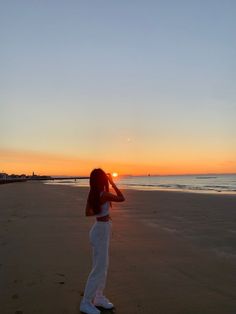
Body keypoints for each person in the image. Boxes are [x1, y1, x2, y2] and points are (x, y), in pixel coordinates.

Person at [80, 168, 125, 314]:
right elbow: (121, 198)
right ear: (102, 180)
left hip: (99, 229)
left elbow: (88, 213)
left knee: (102, 266)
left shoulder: (93, 193)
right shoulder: (104, 194)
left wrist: (99, 211)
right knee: (98, 268)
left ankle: (98, 297)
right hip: (100, 230)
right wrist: (112, 182)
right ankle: (86, 302)